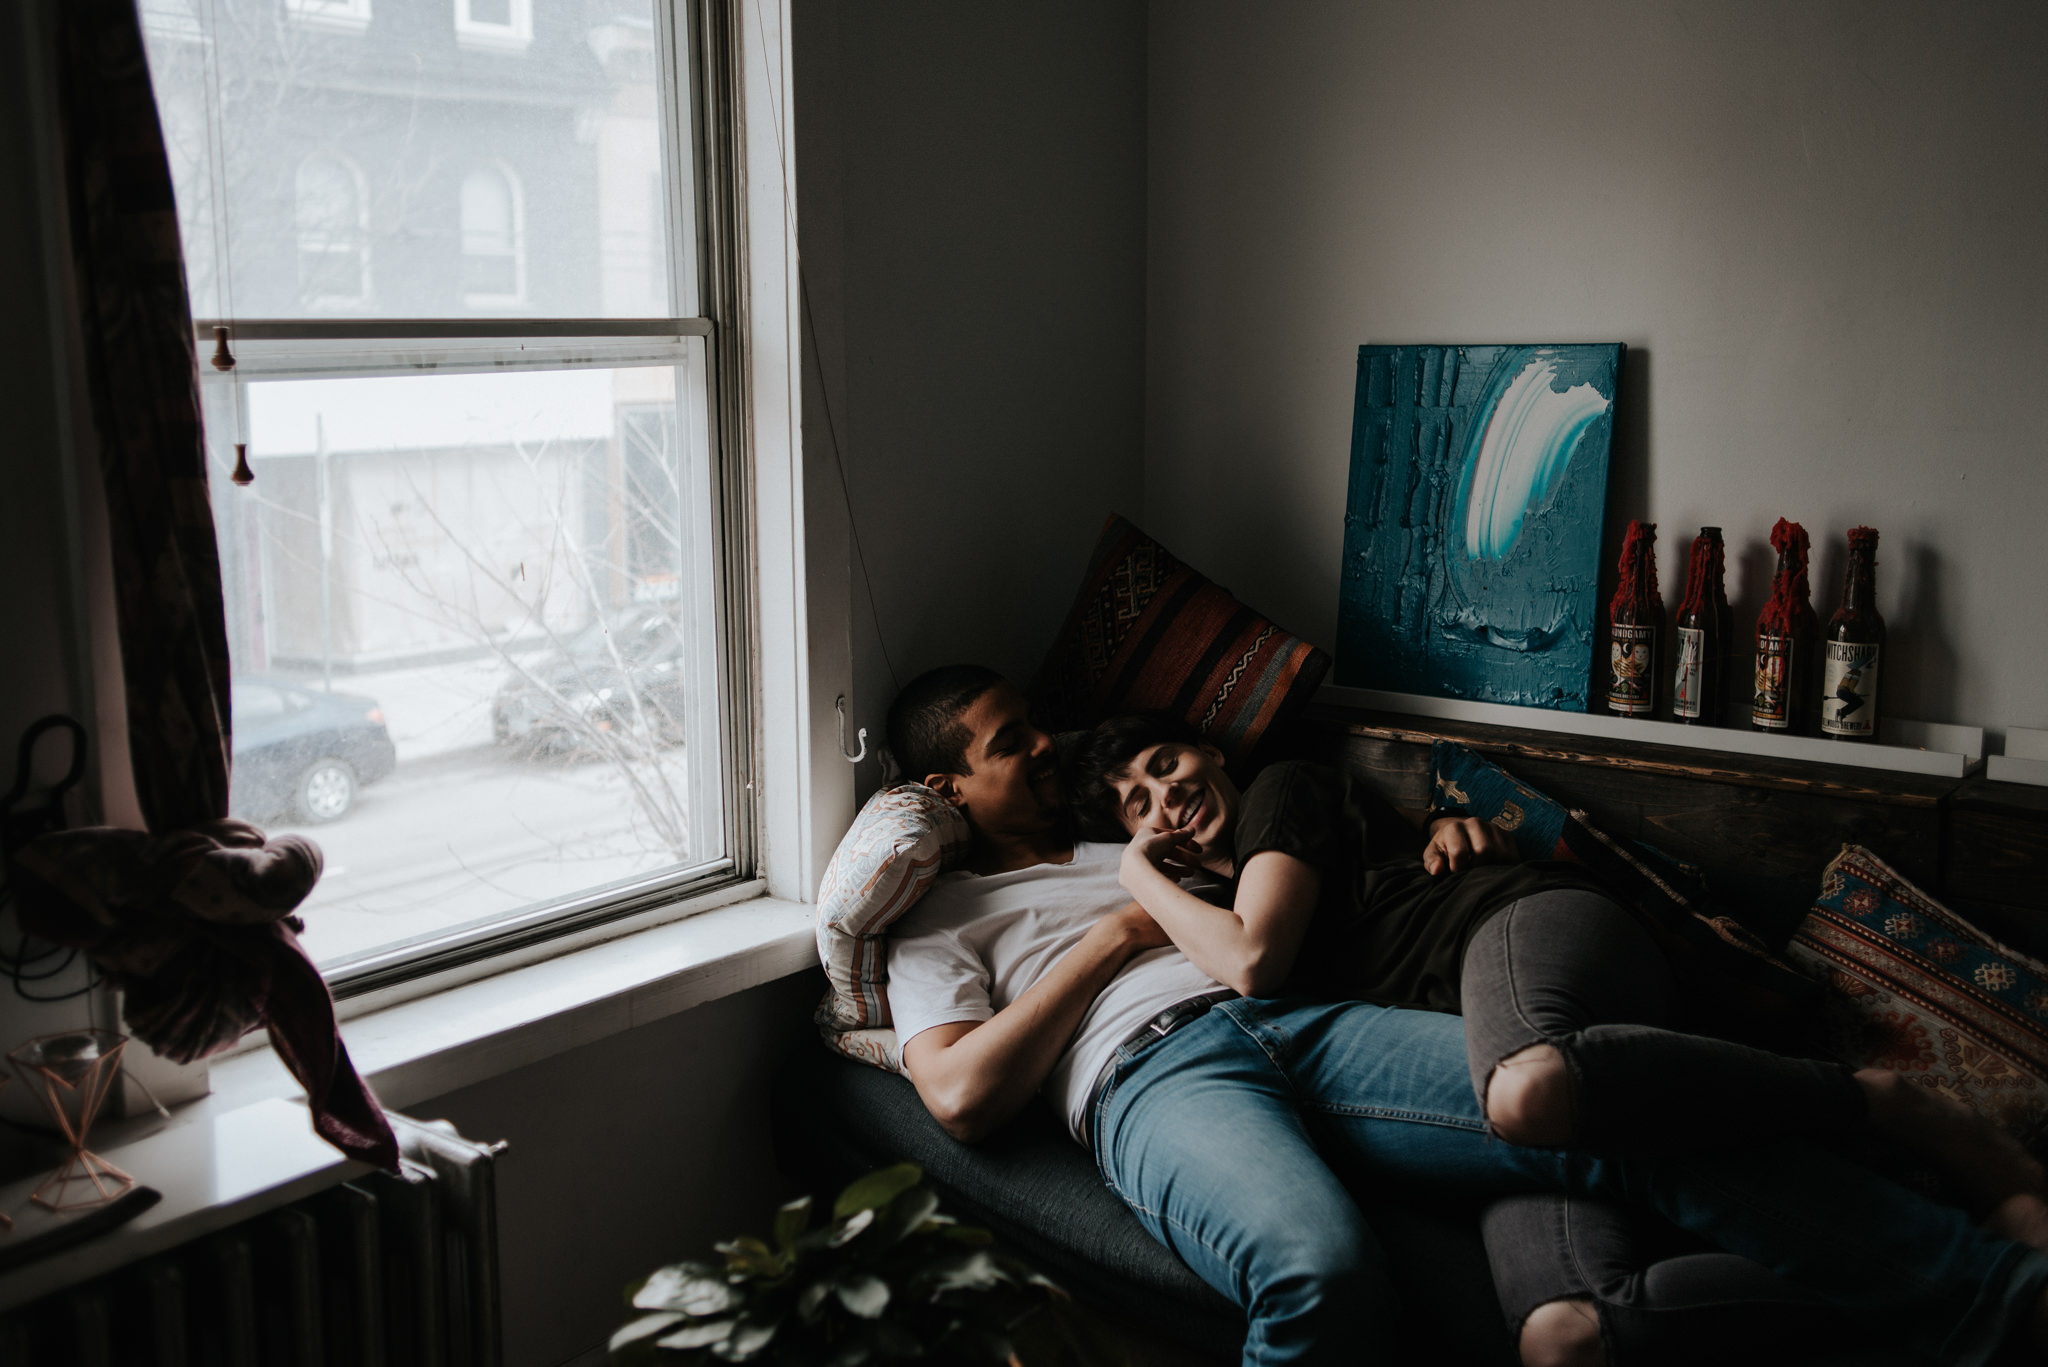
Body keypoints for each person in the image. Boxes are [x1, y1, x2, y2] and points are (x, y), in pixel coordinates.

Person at [880, 664, 2048, 1367]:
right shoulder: (944, 918)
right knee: (1319, 1272)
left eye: (1036, 725)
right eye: (1005, 744)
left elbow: (1322, 881)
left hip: (1324, 1020)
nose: (1041, 748)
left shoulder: (1138, 826)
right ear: (942, 789)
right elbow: (961, 1093)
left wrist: (1447, 832)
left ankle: (1992, 1297)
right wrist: (1113, 934)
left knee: (1609, 1119)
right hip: (1153, 1072)